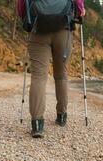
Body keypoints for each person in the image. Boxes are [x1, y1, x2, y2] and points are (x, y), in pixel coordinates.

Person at [28, 0, 85, 138]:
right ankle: (61, 116)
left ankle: (37, 124)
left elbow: (21, 6)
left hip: (38, 29)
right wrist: (81, 11)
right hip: (63, 30)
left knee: (38, 77)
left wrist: (28, 20)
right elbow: (78, 4)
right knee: (61, 75)